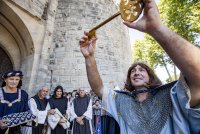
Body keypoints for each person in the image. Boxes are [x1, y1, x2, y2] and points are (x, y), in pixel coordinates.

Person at [79, 0, 200, 133]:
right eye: (133, 71)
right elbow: (99, 89)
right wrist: (89, 58)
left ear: (151, 76)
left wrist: (157, 28)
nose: (136, 72)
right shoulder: (121, 101)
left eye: (142, 70)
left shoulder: (171, 96)